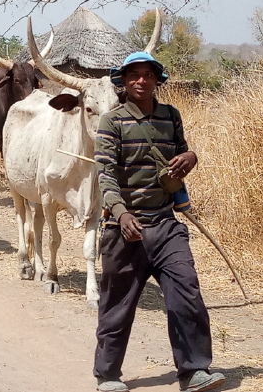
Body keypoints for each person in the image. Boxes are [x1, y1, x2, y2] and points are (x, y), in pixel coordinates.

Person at [93, 52, 225, 392]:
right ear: (122, 81)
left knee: (187, 295)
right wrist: (121, 214)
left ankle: (194, 371)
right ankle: (107, 375)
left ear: (157, 79)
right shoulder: (112, 121)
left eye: (147, 75)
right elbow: (104, 175)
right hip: (124, 232)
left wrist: (191, 157)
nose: (140, 80)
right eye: (133, 75)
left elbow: (182, 151)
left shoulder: (170, 116)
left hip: (166, 226)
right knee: (116, 308)